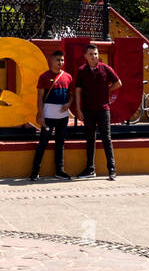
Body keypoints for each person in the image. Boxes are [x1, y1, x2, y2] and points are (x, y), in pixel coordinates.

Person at [74, 44, 121, 180]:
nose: (94, 56)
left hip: (103, 110)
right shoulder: (82, 71)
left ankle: (112, 170)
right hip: (88, 111)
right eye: (91, 54)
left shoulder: (105, 68)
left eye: (95, 54)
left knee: (106, 139)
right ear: (85, 56)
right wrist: (78, 109)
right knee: (90, 140)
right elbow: (78, 91)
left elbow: (118, 82)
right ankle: (90, 169)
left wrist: (107, 90)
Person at [29, 50, 72, 182]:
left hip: (63, 117)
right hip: (48, 117)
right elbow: (40, 97)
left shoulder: (68, 77)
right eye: (58, 60)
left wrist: (69, 104)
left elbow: (71, 95)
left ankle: (60, 170)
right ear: (51, 61)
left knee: (60, 143)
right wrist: (40, 115)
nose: (60, 63)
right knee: (43, 143)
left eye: (62, 60)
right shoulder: (44, 77)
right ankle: (35, 171)